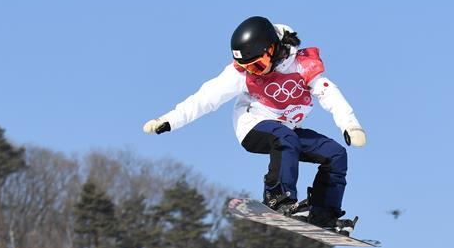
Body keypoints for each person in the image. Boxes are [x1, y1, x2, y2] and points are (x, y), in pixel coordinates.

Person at [142, 16, 366, 230]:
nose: (253, 72)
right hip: (253, 124)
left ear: (272, 49)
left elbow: (329, 94)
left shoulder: (302, 66)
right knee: (285, 138)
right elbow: (206, 98)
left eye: (257, 66)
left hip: (287, 130)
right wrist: (169, 120)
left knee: (335, 154)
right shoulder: (240, 74)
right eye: (247, 67)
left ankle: (324, 214)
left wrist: (350, 125)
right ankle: (278, 198)